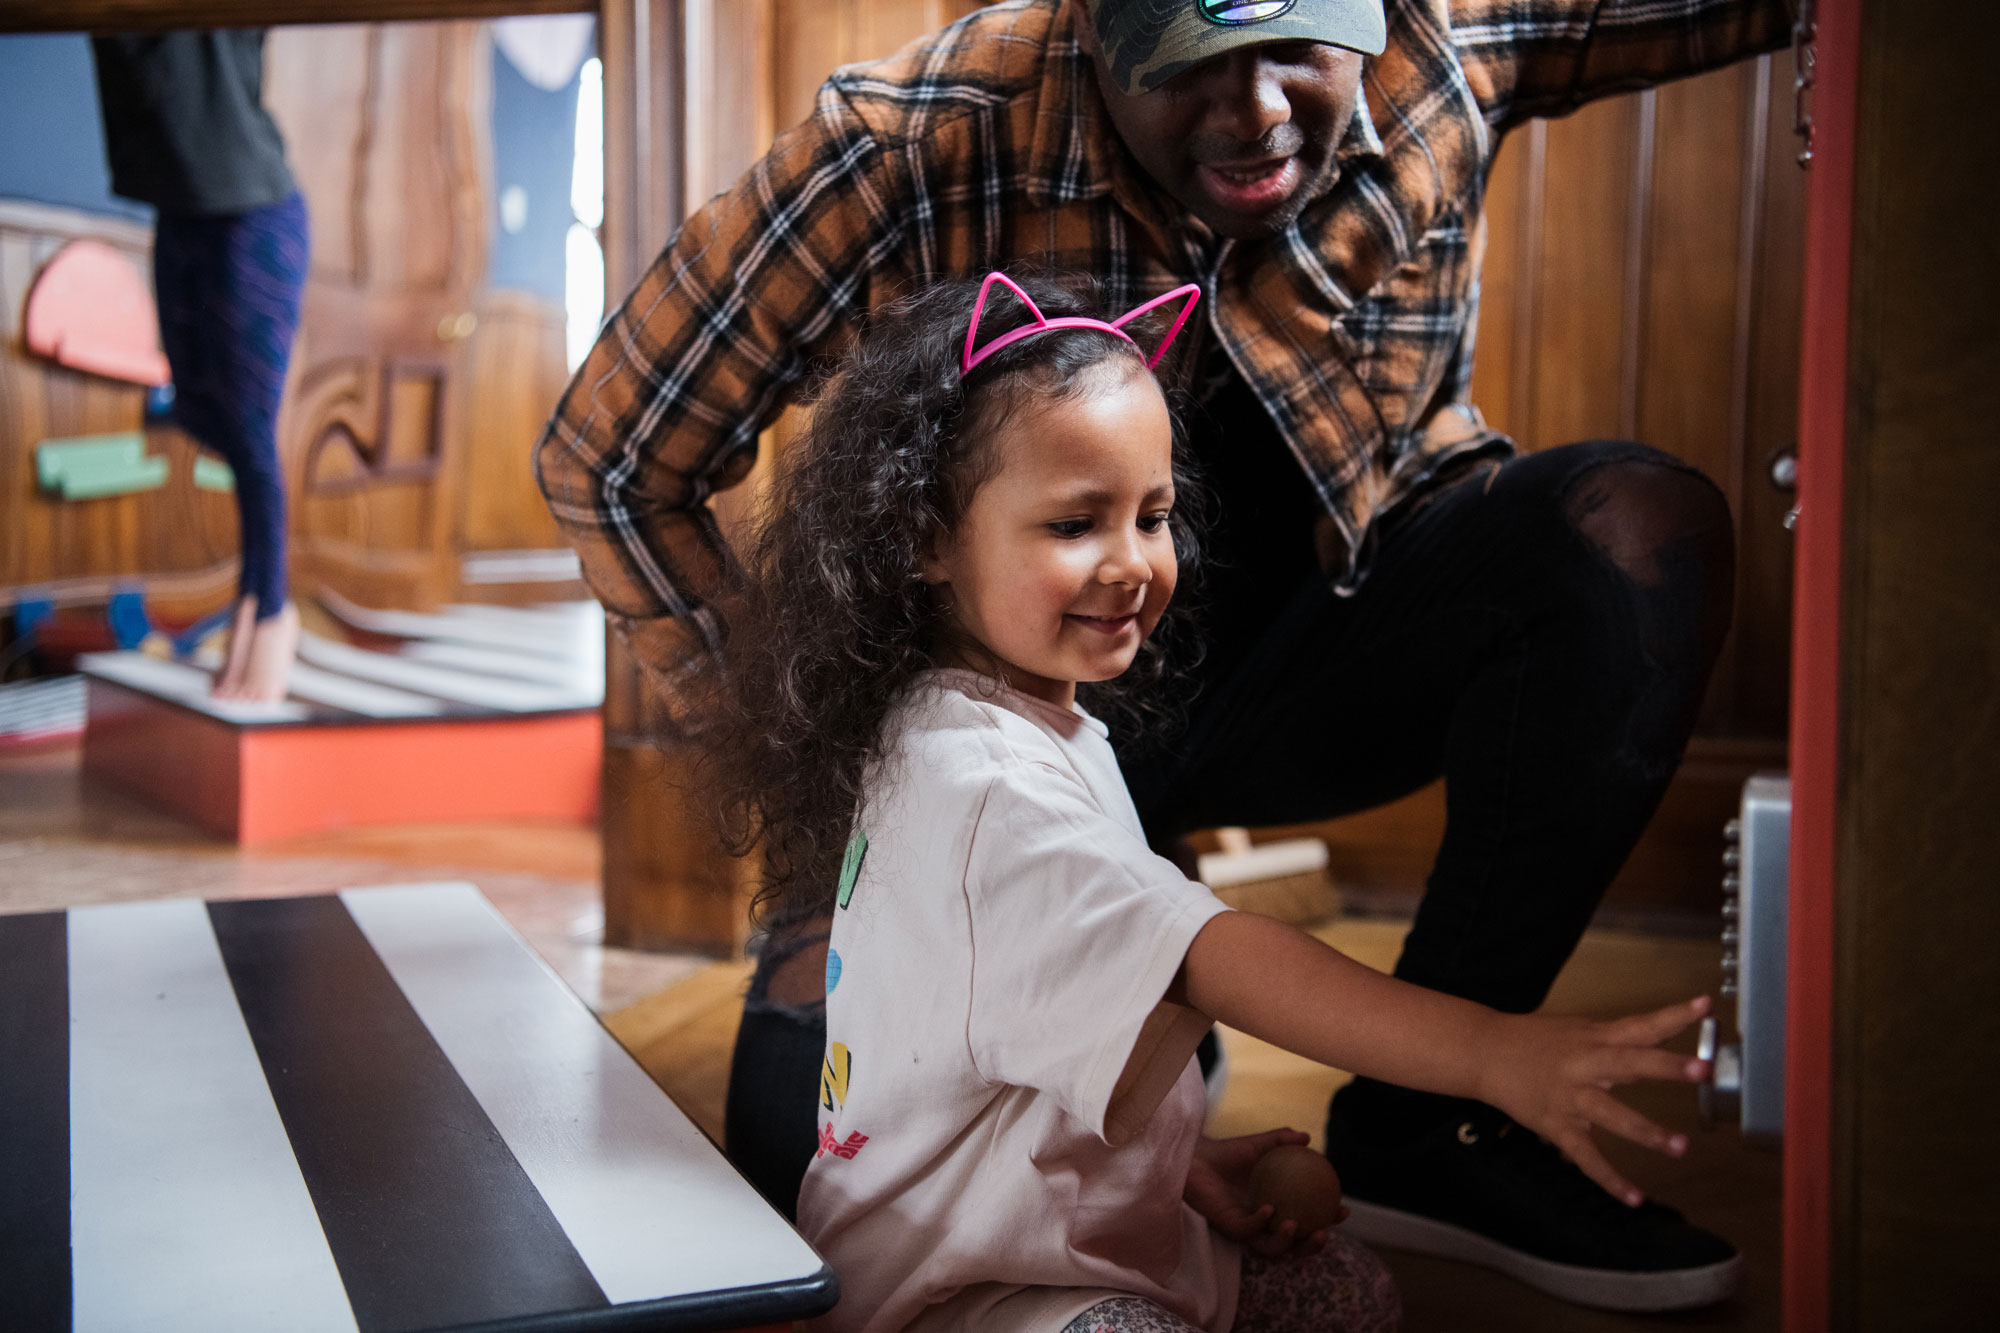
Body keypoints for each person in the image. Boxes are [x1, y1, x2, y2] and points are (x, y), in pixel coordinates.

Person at [535, 0, 1791, 1309]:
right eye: (1195, 63)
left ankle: (1416, 1142)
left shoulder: (1452, 37)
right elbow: (611, 457)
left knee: (1630, 531)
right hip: (984, 743)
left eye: (1295, 50)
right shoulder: (919, 139)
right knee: (806, 1184)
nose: (1253, 112)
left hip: (1289, 664)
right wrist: (830, 764)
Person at [692, 269, 1718, 1331]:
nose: (1131, 563)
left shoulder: (976, 715)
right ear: (925, 541)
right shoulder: (987, 787)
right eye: (1073, 523)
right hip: (965, 1290)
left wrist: (1175, 1161)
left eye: (1152, 514)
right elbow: (1212, 956)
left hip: (1032, 1212)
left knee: (1346, 1287)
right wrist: (1489, 1055)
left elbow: (1009, 1033)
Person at [91, 30, 310, 701]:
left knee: (249, 431)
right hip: (181, 213)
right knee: (197, 409)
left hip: (252, 208)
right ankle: (257, 599)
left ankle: (271, 612)